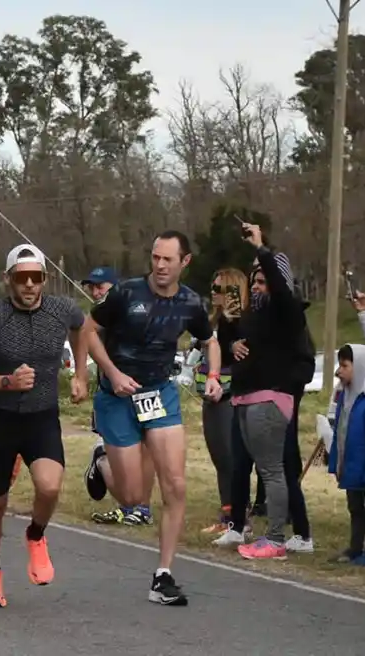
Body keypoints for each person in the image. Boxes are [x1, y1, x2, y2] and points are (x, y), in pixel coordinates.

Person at [85, 231, 219, 606]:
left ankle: (163, 575)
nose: (160, 265)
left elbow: (210, 340)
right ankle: (100, 462)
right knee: (133, 499)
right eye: (155, 258)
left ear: (184, 262)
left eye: (168, 260)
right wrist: (109, 372)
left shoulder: (191, 302)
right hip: (117, 396)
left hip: (159, 394)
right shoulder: (126, 293)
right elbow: (88, 331)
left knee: (175, 485)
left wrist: (212, 377)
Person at [0, 244, 88, 608]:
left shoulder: (61, 309)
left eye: (37, 278)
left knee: (49, 487)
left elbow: (84, 328)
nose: (30, 285)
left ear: (45, 280)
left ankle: (36, 535)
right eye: (22, 278)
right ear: (8, 280)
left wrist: (80, 373)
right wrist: (6, 382)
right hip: (0, 419)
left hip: (42, 416)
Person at [220, 224, 315, 564]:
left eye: (264, 282)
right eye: (254, 282)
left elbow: (278, 284)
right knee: (257, 466)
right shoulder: (255, 315)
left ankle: (277, 538)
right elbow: (229, 341)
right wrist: (232, 340)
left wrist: (262, 249)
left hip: (270, 399)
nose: (258, 287)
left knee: (273, 471)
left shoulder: (287, 313)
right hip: (245, 397)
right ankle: (245, 527)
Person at [197, 267, 249, 534]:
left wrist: (229, 349)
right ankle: (227, 511)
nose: (213, 292)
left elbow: (245, 356)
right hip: (210, 395)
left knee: (229, 456)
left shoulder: (239, 322)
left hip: (230, 395)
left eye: (219, 288)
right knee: (218, 455)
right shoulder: (213, 321)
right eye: (212, 287)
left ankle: (238, 517)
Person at [328, 344, 365, 565]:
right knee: (355, 507)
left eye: (344, 366)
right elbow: (339, 433)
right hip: (352, 465)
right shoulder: (344, 397)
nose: (338, 371)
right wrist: (336, 462)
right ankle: (354, 547)